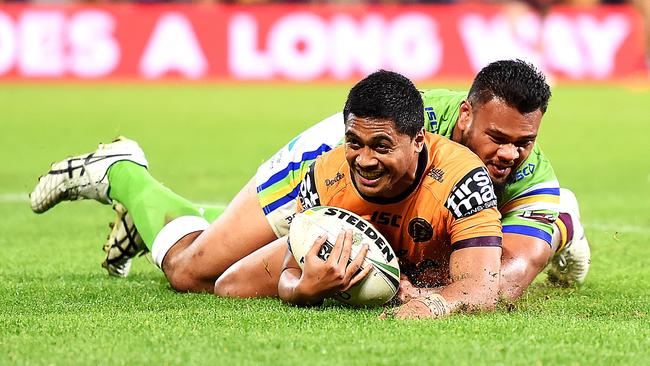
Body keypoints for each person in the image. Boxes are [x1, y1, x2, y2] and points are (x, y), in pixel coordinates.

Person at [31, 60, 589, 303]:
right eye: (497, 137)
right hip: (357, 160)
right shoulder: (370, 150)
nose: (510, 153)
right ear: (465, 116)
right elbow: (258, 274)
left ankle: (562, 221)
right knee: (191, 272)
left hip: (414, 195)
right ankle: (124, 172)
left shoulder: (524, 173)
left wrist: (432, 299)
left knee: (506, 256)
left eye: (526, 141)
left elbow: (503, 280)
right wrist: (299, 283)